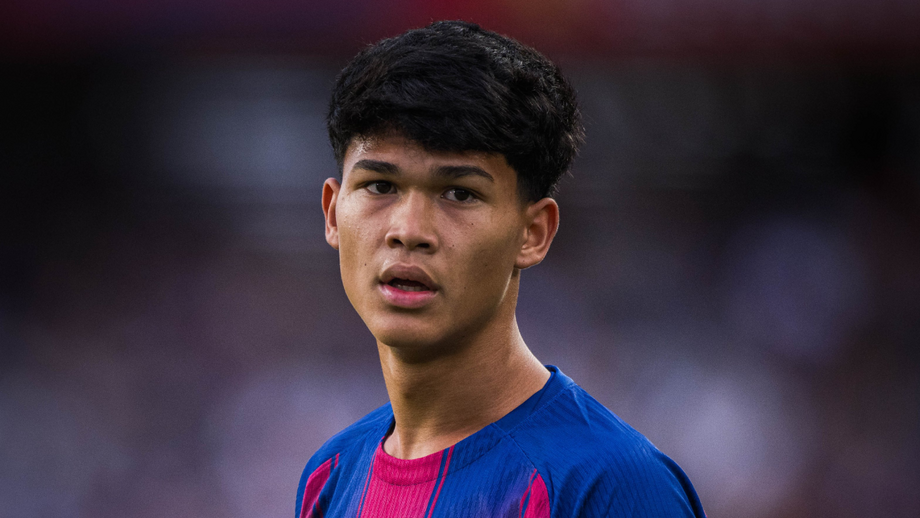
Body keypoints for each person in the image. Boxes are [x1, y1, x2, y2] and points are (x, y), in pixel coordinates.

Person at [295, 20, 705, 518]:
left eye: (459, 193)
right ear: (332, 213)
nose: (409, 230)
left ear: (533, 233)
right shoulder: (330, 476)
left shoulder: (610, 485)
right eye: (380, 185)